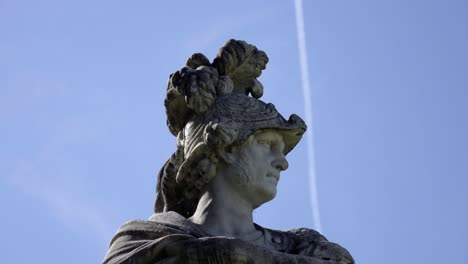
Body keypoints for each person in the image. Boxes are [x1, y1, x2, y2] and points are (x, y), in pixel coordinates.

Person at [103, 39, 354, 264]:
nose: (282, 163)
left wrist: (238, 254)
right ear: (225, 148)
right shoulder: (140, 243)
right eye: (267, 145)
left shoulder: (304, 247)